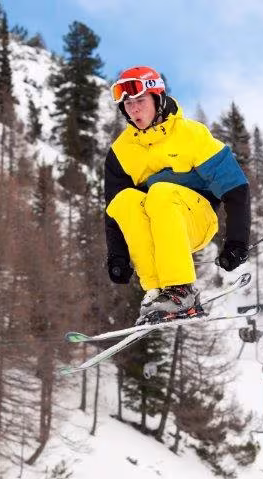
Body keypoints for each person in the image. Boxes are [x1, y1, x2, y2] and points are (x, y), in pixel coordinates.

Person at [105, 66, 251, 324]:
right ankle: (156, 292)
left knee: (160, 193)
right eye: (128, 104)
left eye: (140, 101)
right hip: (158, 224)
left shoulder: (190, 135)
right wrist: (117, 256)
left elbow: (235, 187)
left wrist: (236, 243)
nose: (134, 109)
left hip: (197, 220)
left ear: (157, 99)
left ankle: (181, 291)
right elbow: (115, 212)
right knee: (126, 201)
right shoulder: (121, 152)